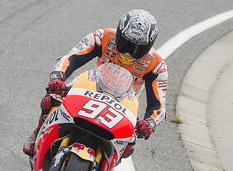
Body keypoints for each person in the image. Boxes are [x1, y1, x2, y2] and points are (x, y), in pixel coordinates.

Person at [23, 9, 167, 158]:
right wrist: (58, 77)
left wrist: (150, 123)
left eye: (138, 48)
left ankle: (103, 169)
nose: (129, 52)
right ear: (119, 33)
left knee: (129, 145)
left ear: (149, 45)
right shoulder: (103, 37)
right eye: (126, 43)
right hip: (91, 86)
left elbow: (159, 105)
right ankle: (38, 133)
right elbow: (71, 57)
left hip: (124, 103)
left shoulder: (157, 65)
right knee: (51, 99)